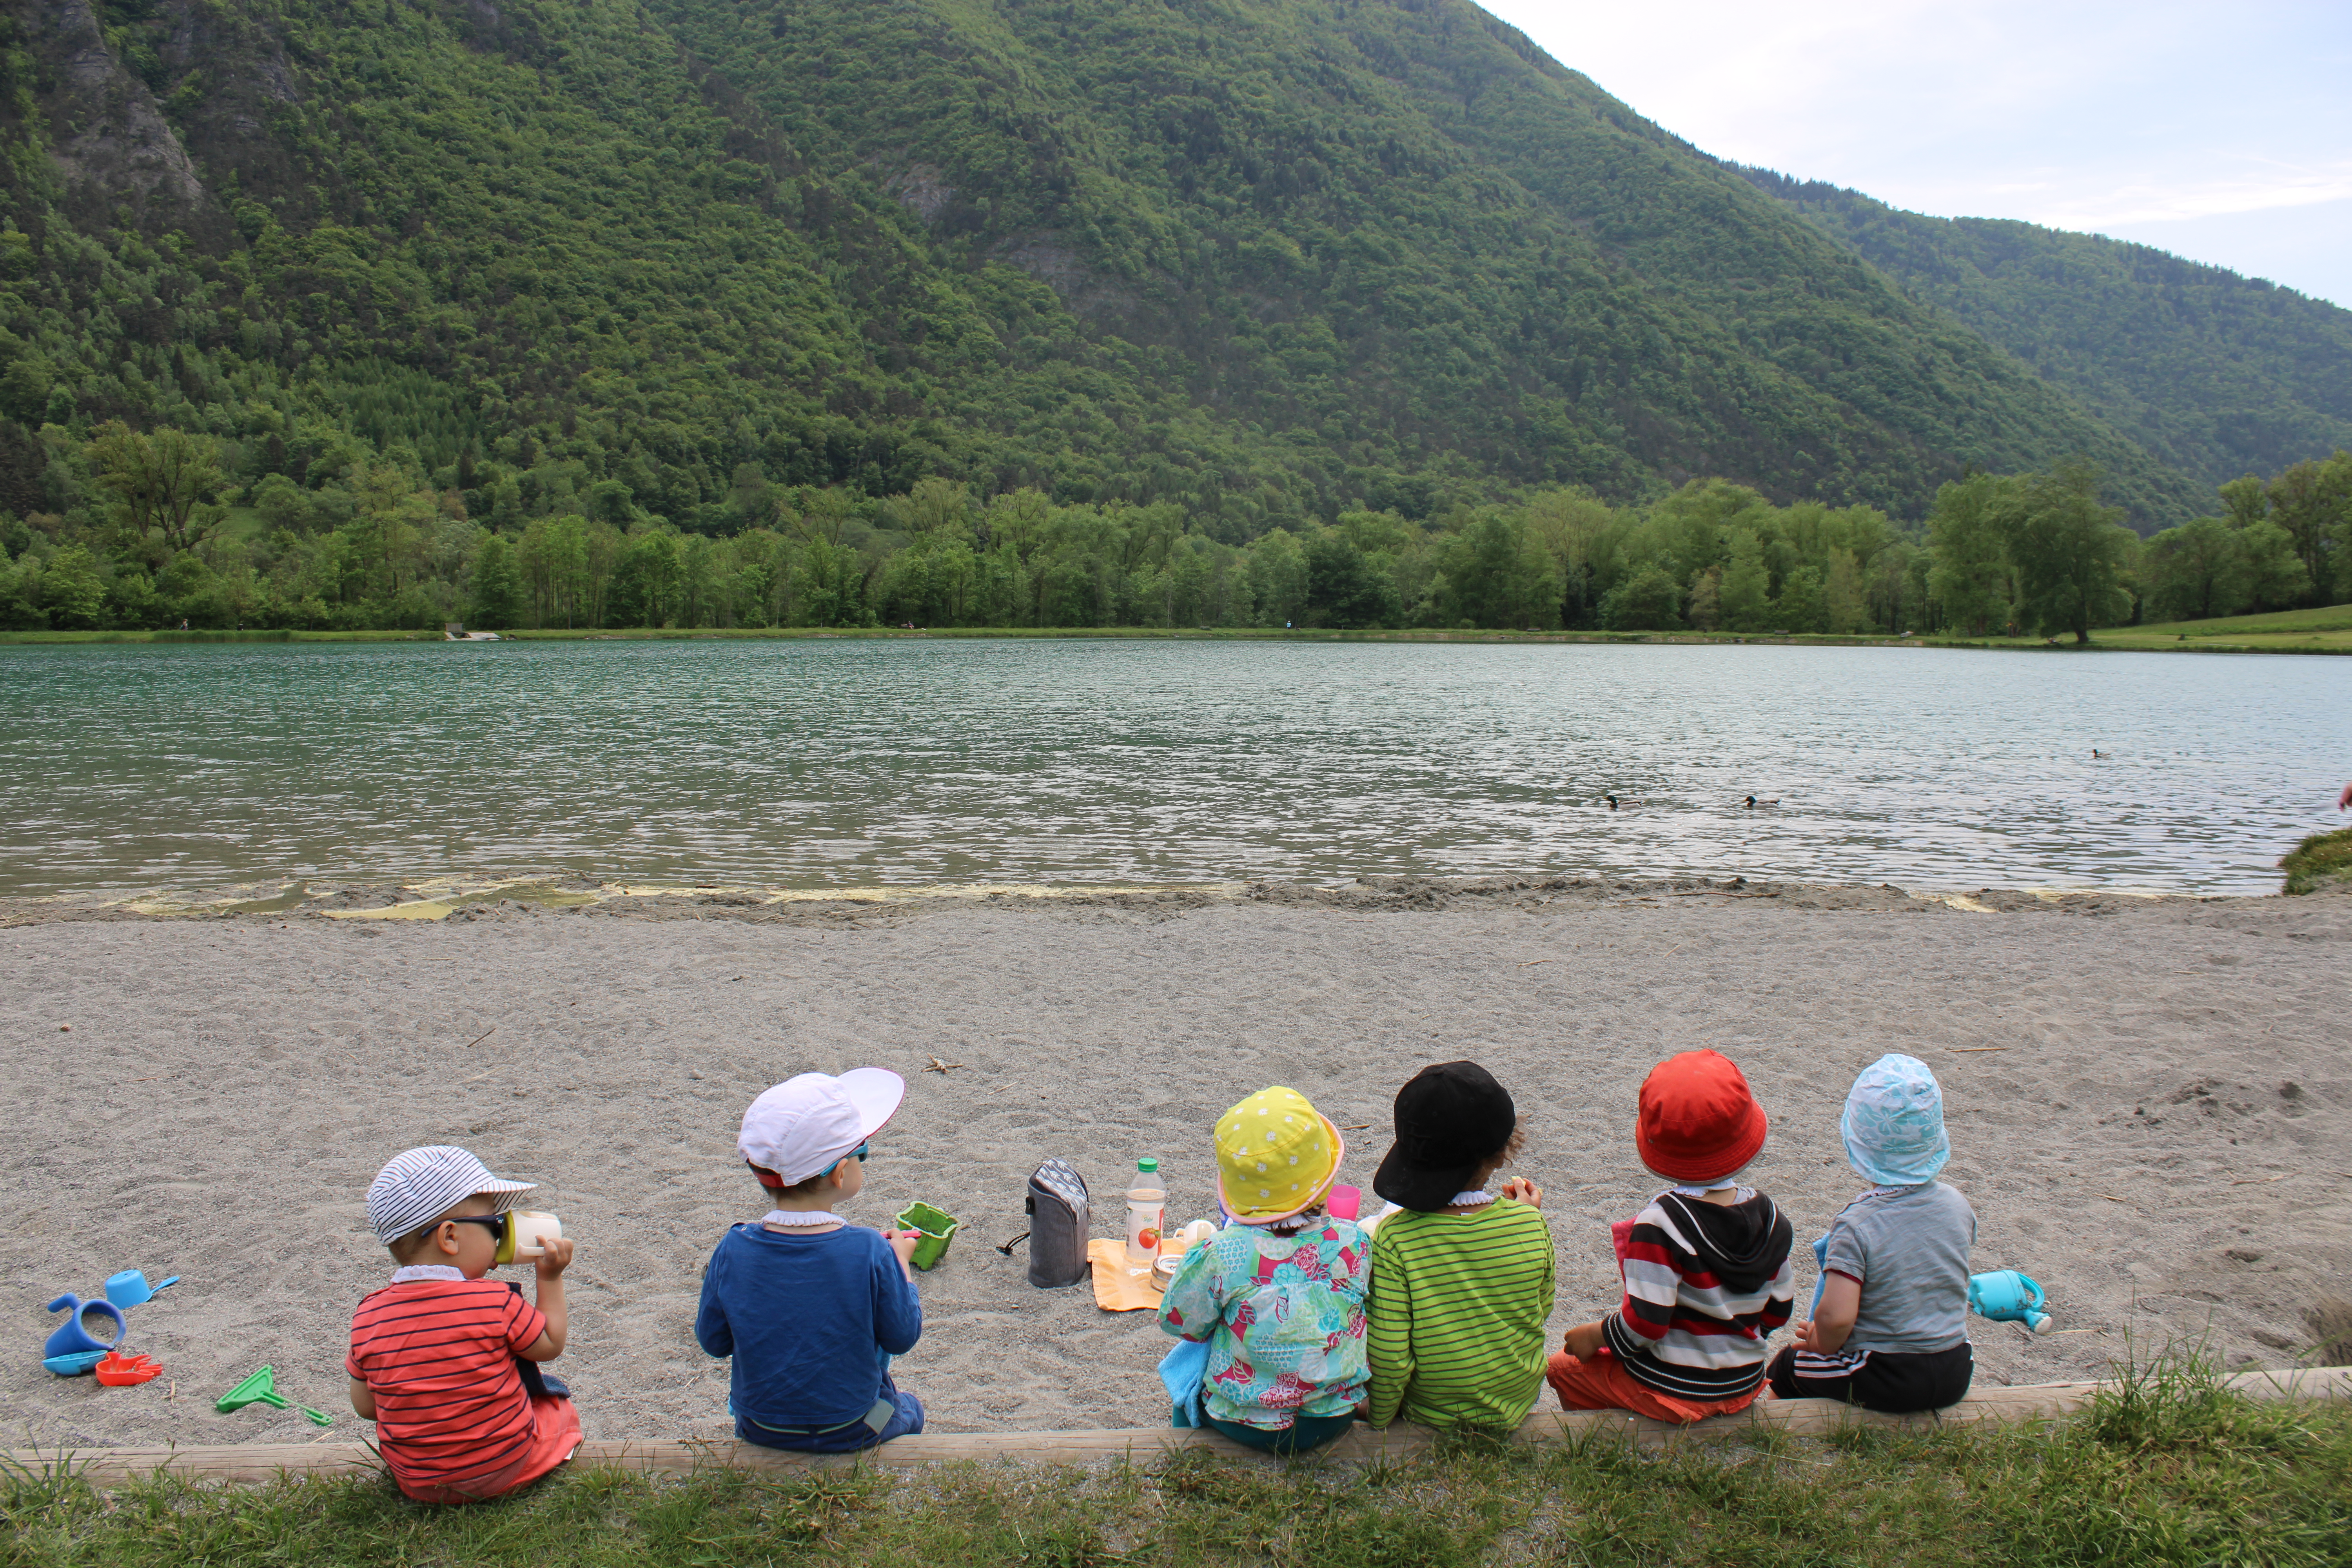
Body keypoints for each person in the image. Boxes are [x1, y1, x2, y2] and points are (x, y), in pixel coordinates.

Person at [1550, 1050, 1794, 1422]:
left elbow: (1645, 1324)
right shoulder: (1773, 1218)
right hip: (1743, 1382)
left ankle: (1615, 1438)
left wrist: (1595, 1335)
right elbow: (1780, 1311)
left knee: (1562, 1370)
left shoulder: (1660, 1224)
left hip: (1672, 1387)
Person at [695, 1069, 926, 1452]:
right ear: (840, 1174)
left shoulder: (733, 1249)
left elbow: (715, 1341)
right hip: (857, 1428)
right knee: (907, 1407)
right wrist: (901, 1264)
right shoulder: (873, 1249)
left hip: (758, 1427)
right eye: (862, 1153)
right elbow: (903, 1336)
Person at [347, 1145, 581, 1504]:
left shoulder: (369, 1315)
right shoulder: (496, 1301)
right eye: (495, 1226)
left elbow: (367, 1407)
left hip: (418, 1483)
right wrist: (550, 1278)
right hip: (502, 1469)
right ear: (450, 1237)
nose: (501, 1237)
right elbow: (550, 1344)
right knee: (557, 1405)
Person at [1157, 1087, 1369, 1454]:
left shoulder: (1222, 1253)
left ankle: (1186, 1450)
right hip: (1333, 1416)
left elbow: (1181, 1323)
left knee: (1187, 1381)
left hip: (1243, 1422)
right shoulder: (1355, 1243)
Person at [1766, 1054, 1976, 1413]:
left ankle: (1774, 1429)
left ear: (1856, 1142)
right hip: (1956, 1366)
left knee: (1788, 1367)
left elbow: (1837, 1318)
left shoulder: (1857, 1224)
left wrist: (1820, 1341)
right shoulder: (1958, 1205)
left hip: (1887, 1373)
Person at [1364, 1061, 1554, 1431]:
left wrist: (1379, 1418)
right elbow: (1539, 1309)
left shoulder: (1394, 1240)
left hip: (1432, 1412)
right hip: (1517, 1400)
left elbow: (1390, 1355)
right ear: (1502, 1153)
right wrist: (1527, 1221)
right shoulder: (1531, 1222)